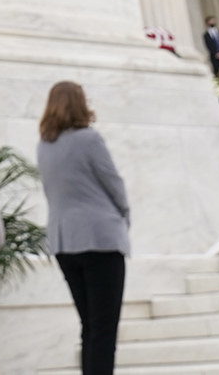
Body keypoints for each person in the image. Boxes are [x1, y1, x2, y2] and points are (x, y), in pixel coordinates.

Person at [37, 81, 129, 375]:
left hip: (65, 243)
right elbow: (113, 183)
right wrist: (124, 215)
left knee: (89, 327)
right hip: (100, 239)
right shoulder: (89, 139)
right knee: (104, 331)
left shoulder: (44, 146)